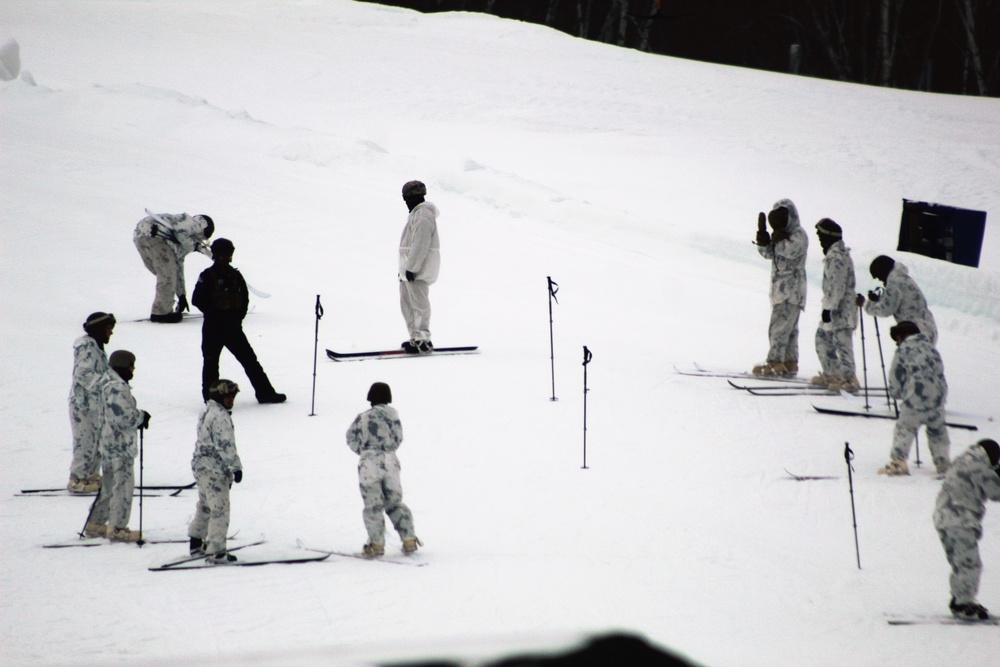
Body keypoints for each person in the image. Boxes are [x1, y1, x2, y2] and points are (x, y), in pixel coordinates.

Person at [192, 238, 285, 403]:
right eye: (222, 255)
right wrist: (215, 314)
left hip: (232, 328)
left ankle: (265, 393)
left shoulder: (235, 275)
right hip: (213, 328)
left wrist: (237, 318)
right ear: (215, 255)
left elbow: (244, 299)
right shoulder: (207, 276)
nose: (225, 258)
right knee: (211, 365)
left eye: (227, 255)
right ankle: (211, 399)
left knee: (250, 362)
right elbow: (197, 300)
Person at [345, 382, 421, 556]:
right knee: (394, 502)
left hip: (370, 463)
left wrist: (364, 451)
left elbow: (351, 437)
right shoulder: (394, 418)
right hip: (391, 461)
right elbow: (398, 438)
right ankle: (409, 539)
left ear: (370, 397)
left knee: (373, 504)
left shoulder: (363, 417)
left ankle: (376, 544)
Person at [84, 350, 150, 542]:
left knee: (110, 487)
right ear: (123, 366)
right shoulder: (116, 387)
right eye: (131, 365)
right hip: (119, 447)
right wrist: (141, 417)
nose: (133, 369)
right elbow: (123, 417)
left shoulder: (108, 383)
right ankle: (118, 528)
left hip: (110, 445)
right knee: (122, 488)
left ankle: (95, 523)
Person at [933, 439, 1000, 620]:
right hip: (960, 519)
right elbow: (996, 491)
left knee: (959, 563)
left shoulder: (962, 460)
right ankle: (964, 603)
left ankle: (959, 598)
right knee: (970, 563)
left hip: (943, 518)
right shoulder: (980, 466)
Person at [877, 320, 950, 476]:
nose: (897, 343)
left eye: (897, 339)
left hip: (917, 393)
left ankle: (898, 462)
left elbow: (896, 376)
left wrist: (896, 393)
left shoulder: (904, 349)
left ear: (902, 336)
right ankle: (943, 462)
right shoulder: (931, 347)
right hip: (939, 394)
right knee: (937, 430)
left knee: (906, 427)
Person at [188, 379, 243, 563]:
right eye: (228, 396)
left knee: (205, 505)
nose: (232, 400)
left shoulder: (207, 410)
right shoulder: (220, 417)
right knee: (220, 509)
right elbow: (225, 445)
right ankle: (217, 551)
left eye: (233, 396)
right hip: (214, 470)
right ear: (219, 396)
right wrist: (235, 468)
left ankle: (196, 542)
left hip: (201, 466)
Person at [752, 199, 808, 376]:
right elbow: (771, 254)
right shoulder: (785, 235)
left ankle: (775, 362)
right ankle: (789, 362)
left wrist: (778, 236)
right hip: (783, 291)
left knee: (778, 328)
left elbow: (790, 251)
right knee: (789, 330)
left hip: (790, 292)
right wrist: (763, 240)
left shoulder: (799, 234)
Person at [133, 212, 214, 323]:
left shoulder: (181, 242)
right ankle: (161, 313)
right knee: (166, 275)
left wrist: (181, 295)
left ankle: (164, 307)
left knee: (167, 273)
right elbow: (180, 232)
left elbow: (177, 267)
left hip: (141, 236)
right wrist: (193, 246)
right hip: (156, 236)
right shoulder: (193, 223)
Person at [67, 312, 116, 493]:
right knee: (85, 442)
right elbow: (84, 374)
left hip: (94, 405)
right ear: (99, 329)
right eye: (108, 329)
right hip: (84, 405)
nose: (111, 333)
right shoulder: (87, 348)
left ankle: (91, 475)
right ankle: (78, 478)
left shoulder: (96, 347)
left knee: (96, 442)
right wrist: (107, 385)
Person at [810, 219, 859, 392]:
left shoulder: (837, 257)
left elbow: (837, 285)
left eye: (820, 235)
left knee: (842, 344)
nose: (819, 239)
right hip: (834, 309)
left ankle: (848, 379)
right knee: (822, 339)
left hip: (841, 310)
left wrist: (828, 308)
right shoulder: (834, 254)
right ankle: (832, 374)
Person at [398, 180, 441, 355]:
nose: (406, 202)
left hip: (417, 270)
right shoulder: (416, 214)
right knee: (407, 303)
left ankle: (423, 339)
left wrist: (412, 267)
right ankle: (415, 337)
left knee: (419, 304)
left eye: (408, 198)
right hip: (408, 269)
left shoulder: (423, 215)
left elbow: (420, 243)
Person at [858, 254, 938, 344]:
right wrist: (880, 300)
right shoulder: (902, 278)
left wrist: (865, 304)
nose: (880, 280)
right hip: (926, 329)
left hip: (916, 333)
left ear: (883, 271)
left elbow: (885, 309)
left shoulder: (894, 283)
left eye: (879, 276)